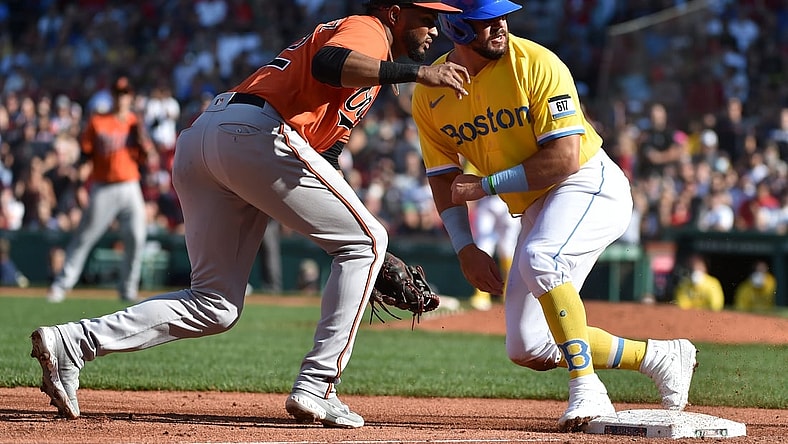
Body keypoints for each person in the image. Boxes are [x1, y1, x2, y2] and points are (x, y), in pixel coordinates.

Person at [30, 0, 470, 429]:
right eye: (426, 18)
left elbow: (326, 156)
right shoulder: (369, 30)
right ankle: (319, 385)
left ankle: (73, 342)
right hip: (256, 133)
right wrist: (420, 73)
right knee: (369, 241)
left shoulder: (373, 70)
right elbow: (330, 63)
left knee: (216, 304)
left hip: (210, 137)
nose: (434, 30)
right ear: (394, 13)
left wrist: (351, 229)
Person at [411, 0, 697, 432]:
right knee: (529, 347)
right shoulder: (431, 92)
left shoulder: (536, 63)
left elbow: (564, 158)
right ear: (457, 28)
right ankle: (659, 356)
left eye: (502, 17)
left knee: (542, 257)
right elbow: (442, 177)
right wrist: (464, 246)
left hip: (588, 183)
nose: (500, 26)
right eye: (486, 21)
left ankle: (588, 390)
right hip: (536, 204)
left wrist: (487, 186)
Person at [46, 76, 154, 303]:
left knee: (137, 236)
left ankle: (127, 289)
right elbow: (85, 157)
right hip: (103, 186)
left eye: (125, 93)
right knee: (85, 236)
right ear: (113, 95)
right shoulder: (98, 122)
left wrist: (142, 137)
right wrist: (79, 186)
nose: (122, 97)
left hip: (130, 185)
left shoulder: (134, 122)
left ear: (130, 97)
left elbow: (146, 157)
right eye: (118, 93)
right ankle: (61, 285)